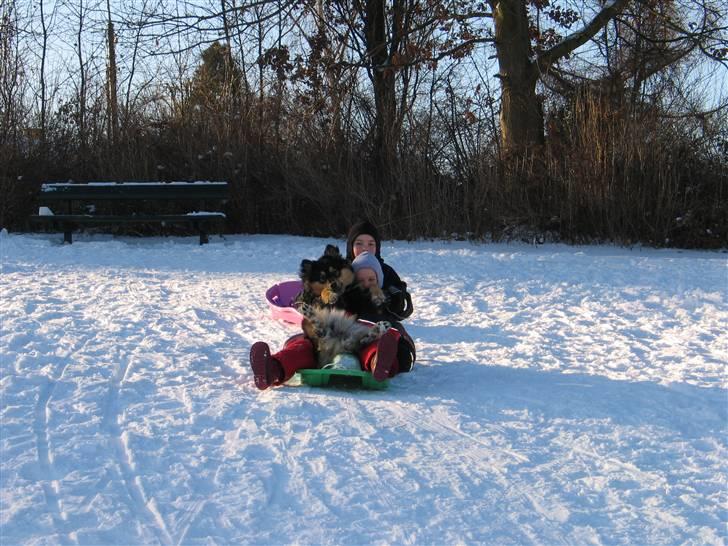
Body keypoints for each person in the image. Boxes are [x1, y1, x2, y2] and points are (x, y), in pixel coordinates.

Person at [249, 220, 415, 389]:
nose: (365, 248)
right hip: (335, 332)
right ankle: (273, 368)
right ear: (350, 246)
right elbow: (307, 293)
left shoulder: (386, 272)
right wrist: (324, 297)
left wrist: (392, 298)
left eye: (371, 244)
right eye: (359, 243)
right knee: (306, 346)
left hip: (368, 330)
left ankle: (378, 364)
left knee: (377, 346)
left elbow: (402, 303)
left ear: (378, 247)